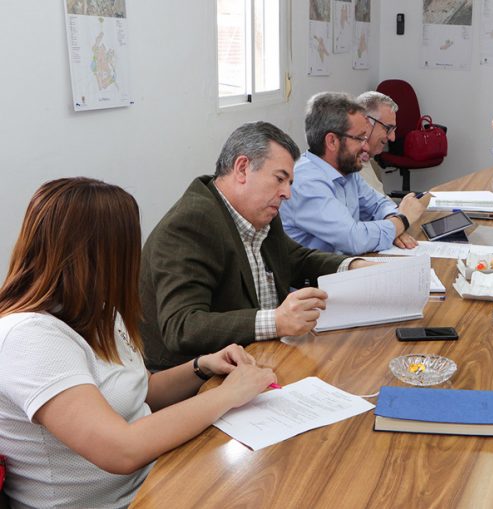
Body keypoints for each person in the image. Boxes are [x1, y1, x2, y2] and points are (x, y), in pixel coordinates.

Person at [0, 178, 276, 508]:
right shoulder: (28, 338)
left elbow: (143, 391)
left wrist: (201, 367)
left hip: (157, 478)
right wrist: (229, 394)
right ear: (103, 254)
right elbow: (121, 449)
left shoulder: (98, 309)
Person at [140, 121, 370, 371]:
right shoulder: (191, 224)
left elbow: (295, 259)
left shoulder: (259, 211)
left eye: (289, 183)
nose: (287, 193)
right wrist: (276, 321)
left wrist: (354, 267)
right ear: (242, 169)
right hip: (194, 377)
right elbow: (182, 326)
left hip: (259, 357)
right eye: (280, 179)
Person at [281, 92, 429, 255]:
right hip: (318, 278)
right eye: (359, 138)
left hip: (345, 267)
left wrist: (393, 228)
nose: (366, 147)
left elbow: (378, 204)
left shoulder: (346, 170)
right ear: (332, 141)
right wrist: (401, 220)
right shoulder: (305, 181)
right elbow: (354, 238)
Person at [355, 91, 398, 194]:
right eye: (388, 128)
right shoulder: (347, 165)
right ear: (366, 123)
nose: (393, 138)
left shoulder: (365, 157)